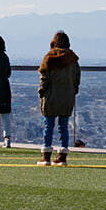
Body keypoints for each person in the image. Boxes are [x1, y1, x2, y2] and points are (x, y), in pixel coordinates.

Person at [37, 31, 81, 166]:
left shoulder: (49, 58)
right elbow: (76, 79)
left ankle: (46, 156)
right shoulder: (72, 59)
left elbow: (44, 78)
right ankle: (62, 156)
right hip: (67, 97)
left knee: (48, 124)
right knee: (64, 126)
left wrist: (41, 92)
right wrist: (73, 91)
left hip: (51, 96)